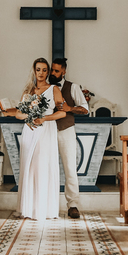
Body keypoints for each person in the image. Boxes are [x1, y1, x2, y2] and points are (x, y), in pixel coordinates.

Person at [3, 57, 67, 220]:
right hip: (30, 131)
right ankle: (28, 208)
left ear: (48, 72)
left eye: (45, 70)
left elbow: (62, 112)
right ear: (34, 70)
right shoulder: (28, 91)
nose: (41, 73)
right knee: (29, 166)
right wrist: (27, 118)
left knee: (42, 166)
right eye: (38, 69)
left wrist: (44, 119)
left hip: (46, 130)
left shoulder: (54, 89)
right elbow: (19, 113)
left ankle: (44, 209)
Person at [49, 57, 89, 219]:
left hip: (66, 130)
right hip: (48, 131)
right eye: (52, 70)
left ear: (64, 72)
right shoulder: (45, 87)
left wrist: (69, 108)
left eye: (56, 71)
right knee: (47, 168)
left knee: (70, 168)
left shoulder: (73, 87)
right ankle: (47, 204)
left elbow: (85, 109)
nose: (53, 73)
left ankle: (73, 205)